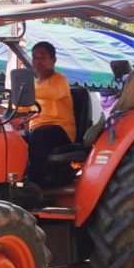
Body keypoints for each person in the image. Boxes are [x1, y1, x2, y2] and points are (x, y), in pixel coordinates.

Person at [26, 41, 75, 188]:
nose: (38, 61)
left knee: (38, 136)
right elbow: (21, 106)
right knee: (12, 137)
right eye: (35, 57)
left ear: (54, 60)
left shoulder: (60, 81)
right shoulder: (34, 85)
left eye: (43, 56)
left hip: (61, 129)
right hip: (36, 128)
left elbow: (51, 93)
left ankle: (36, 186)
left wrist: (22, 92)